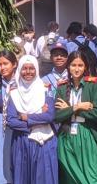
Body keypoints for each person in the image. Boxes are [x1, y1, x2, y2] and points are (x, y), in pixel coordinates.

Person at [55, 51, 97, 184]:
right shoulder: (62, 87)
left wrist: (69, 110)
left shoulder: (93, 85)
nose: (77, 69)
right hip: (66, 137)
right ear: (68, 67)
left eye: (80, 65)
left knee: (93, 177)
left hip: (87, 134)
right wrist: (76, 107)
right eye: (73, 65)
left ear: (85, 67)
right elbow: (57, 116)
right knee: (70, 178)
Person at [6, 55, 58, 184]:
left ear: (37, 70)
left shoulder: (45, 89)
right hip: (22, 141)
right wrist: (35, 121)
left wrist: (26, 117)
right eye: (24, 68)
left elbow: (50, 115)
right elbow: (11, 120)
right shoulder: (14, 93)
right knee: (23, 177)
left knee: (44, 178)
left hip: (45, 141)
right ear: (19, 70)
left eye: (32, 68)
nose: (28, 72)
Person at [0, 50, 18, 184]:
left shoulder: (22, 83)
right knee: (0, 162)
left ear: (14, 64)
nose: (2, 67)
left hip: (17, 125)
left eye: (6, 63)